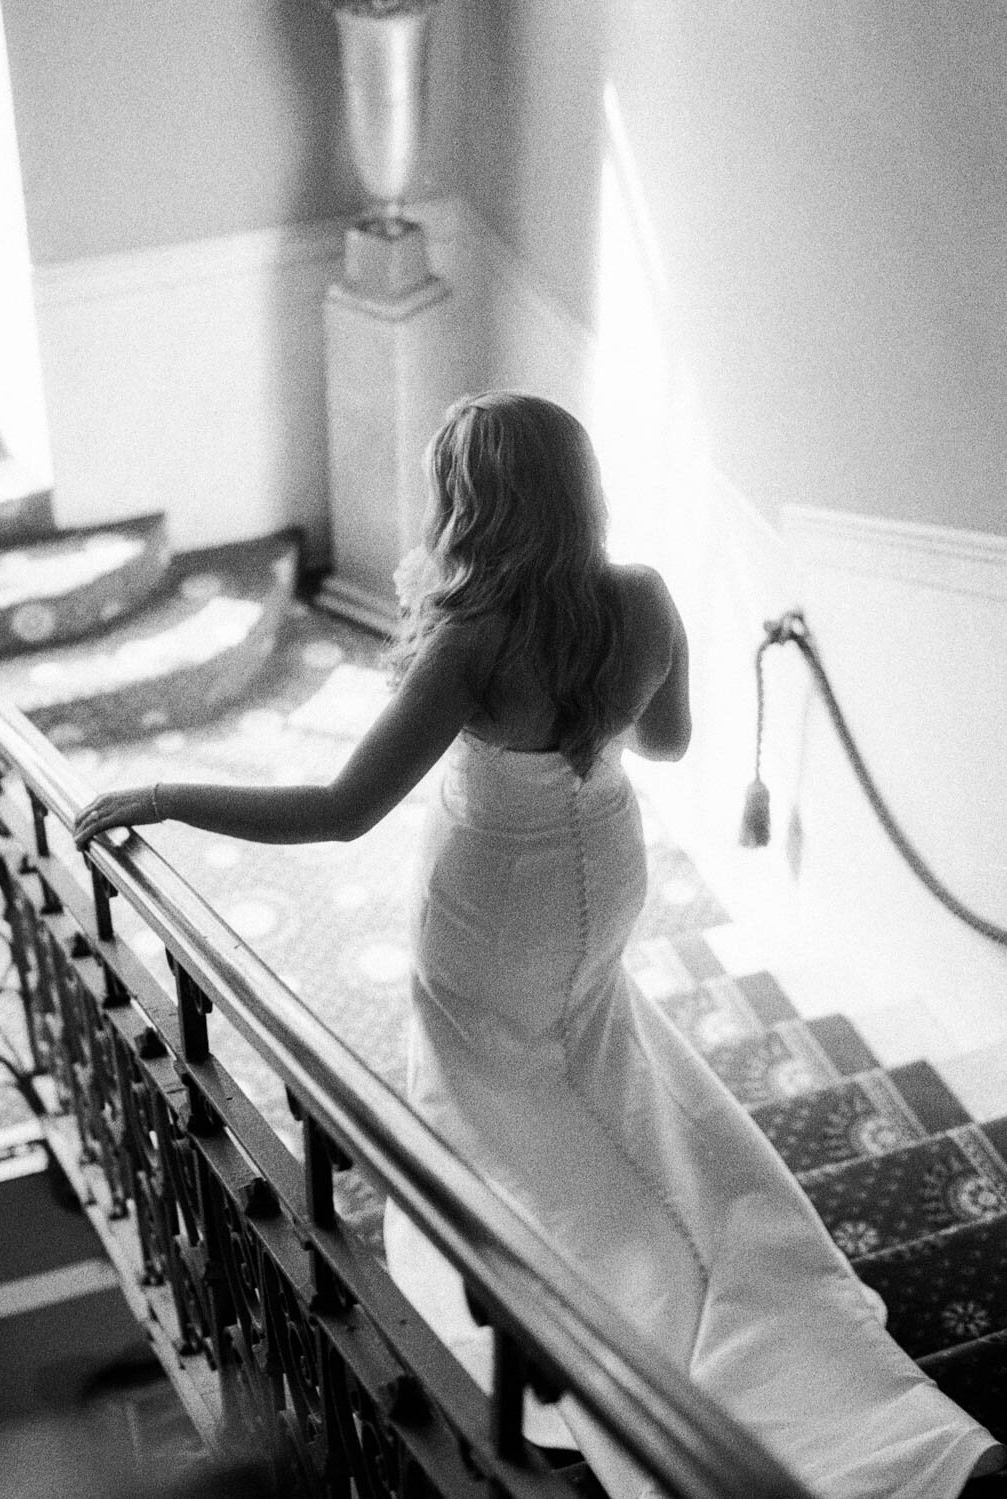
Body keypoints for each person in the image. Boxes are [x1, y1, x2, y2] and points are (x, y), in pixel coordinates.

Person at [75, 393, 1004, 1499]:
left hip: (494, 897)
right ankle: (853, 1394)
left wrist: (166, 790)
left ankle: (590, 1300)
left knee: (498, 1083)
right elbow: (662, 739)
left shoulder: (473, 642)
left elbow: (339, 808)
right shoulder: (645, 597)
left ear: (473, 503)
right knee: (593, 1049)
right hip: (603, 865)